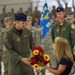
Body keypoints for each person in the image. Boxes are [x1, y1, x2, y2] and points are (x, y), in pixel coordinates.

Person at [51, 7, 75, 74]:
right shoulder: (54, 27)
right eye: (57, 13)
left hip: (68, 55)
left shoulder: (69, 26)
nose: (58, 15)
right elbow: (53, 40)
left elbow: (73, 41)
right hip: (58, 56)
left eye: (60, 13)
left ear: (64, 14)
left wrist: (72, 53)